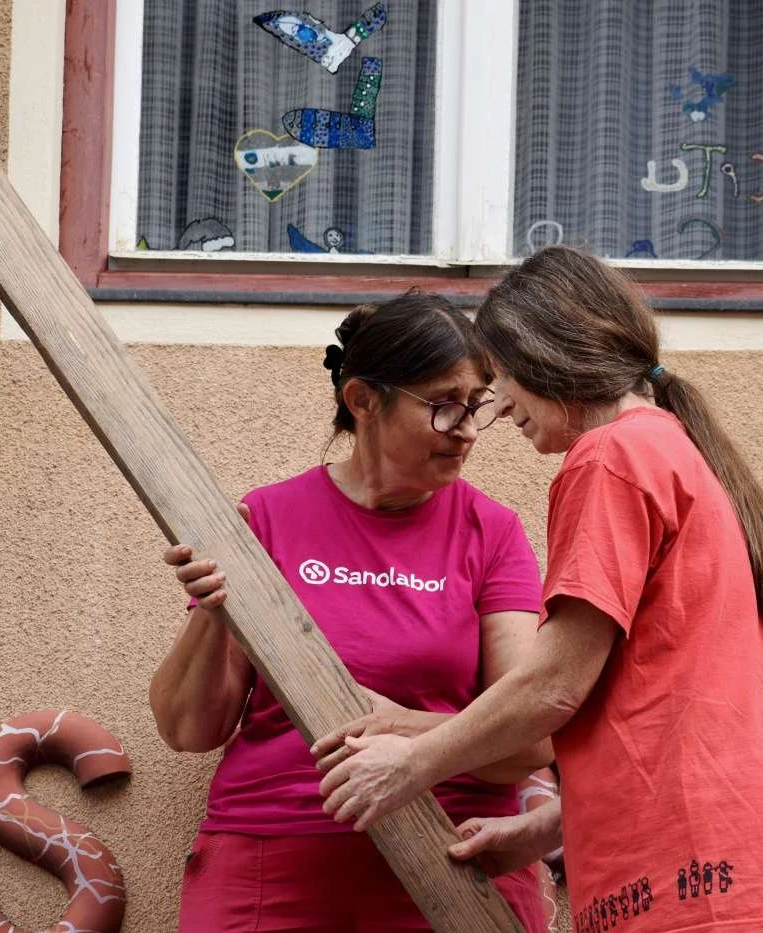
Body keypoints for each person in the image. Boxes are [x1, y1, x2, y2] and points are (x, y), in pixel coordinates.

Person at [313, 247, 763, 933]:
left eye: (500, 375)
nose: (496, 406)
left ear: (544, 354)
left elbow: (554, 685)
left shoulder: (609, 456)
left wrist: (411, 762)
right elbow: (669, 709)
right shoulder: (675, 450)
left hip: (702, 883)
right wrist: (547, 827)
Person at [148, 291, 553, 932]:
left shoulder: (492, 532)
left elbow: (529, 739)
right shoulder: (267, 518)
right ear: (363, 399)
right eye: (444, 405)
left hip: (451, 862)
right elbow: (188, 730)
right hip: (271, 854)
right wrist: (213, 610)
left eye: (476, 404)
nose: (468, 430)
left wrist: (406, 730)